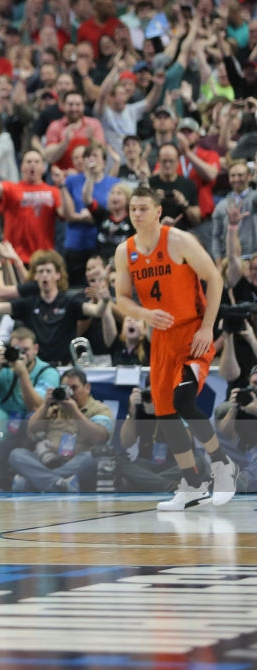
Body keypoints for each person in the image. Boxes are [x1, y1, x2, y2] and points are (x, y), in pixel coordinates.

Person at [113, 185, 237, 511]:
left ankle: (222, 464)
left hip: (193, 332)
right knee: (165, 413)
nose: (137, 214)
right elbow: (121, 299)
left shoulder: (178, 240)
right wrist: (143, 313)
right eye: (132, 209)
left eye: (143, 208)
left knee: (184, 399)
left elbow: (215, 278)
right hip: (161, 339)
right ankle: (192, 484)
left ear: (157, 211)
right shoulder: (125, 252)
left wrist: (209, 328)